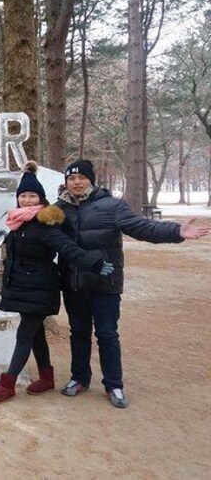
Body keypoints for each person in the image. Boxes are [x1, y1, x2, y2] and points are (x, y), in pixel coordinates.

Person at [56, 159, 210, 408]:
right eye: (71, 178)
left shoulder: (112, 206)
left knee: (107, 334)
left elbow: (142, 227)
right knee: (79, 333)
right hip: (73, 284)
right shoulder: (59, 210)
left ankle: (114, 384)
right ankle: (79, 378)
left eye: (81, 178)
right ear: (66, 182)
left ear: (91, 180)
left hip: (106, 283)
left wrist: (175, 232)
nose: (76, 182)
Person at [0, 162, 112, 404]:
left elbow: (68, 248)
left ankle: (8, 383)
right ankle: (46, 377)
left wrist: (93, 262)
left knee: (24, 334)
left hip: (41, 287)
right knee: (35, 334)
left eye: (33, 195)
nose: (28, 200)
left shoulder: (45, 223)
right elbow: (3, 246)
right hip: (22, 285)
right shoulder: (15, 223)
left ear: (40, 198)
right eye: (23, 195)